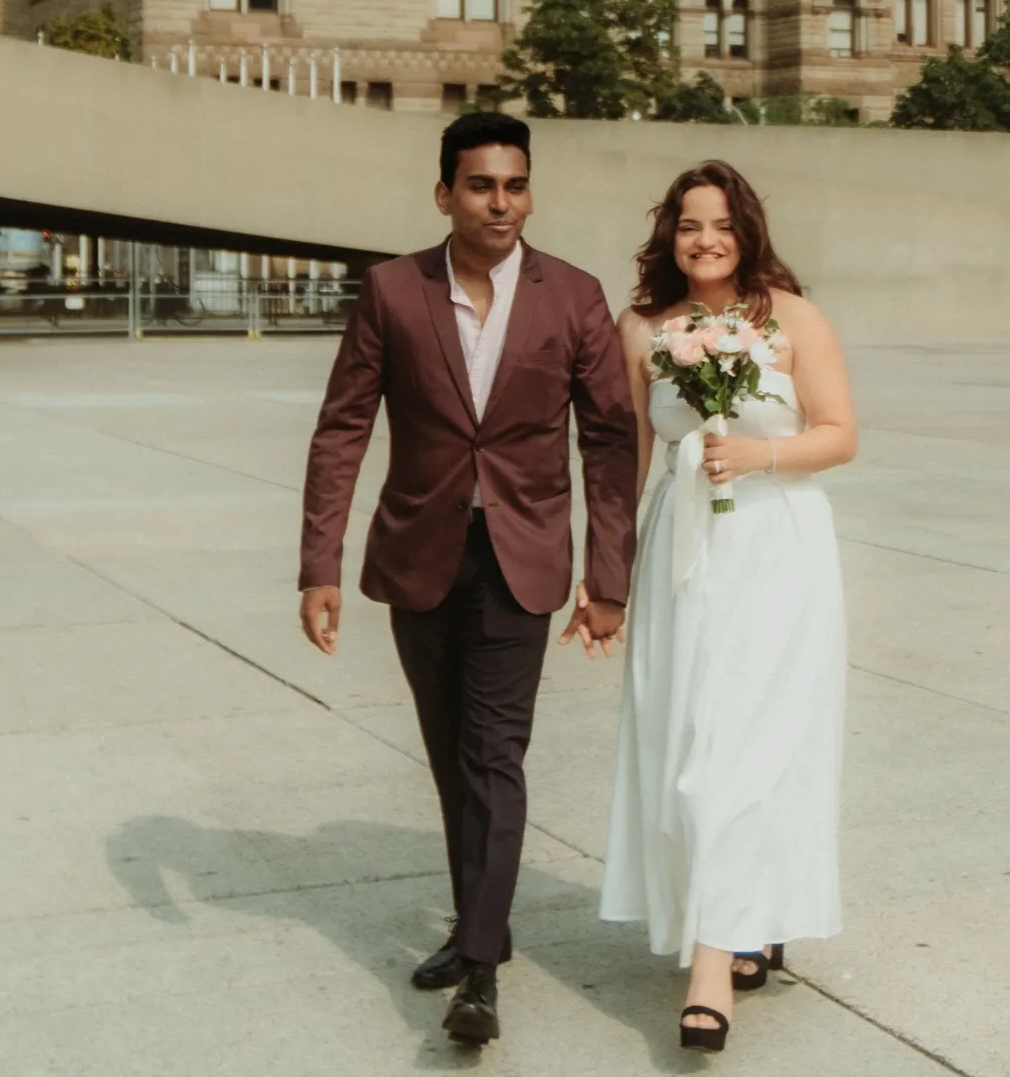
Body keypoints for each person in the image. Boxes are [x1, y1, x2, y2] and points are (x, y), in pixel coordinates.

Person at [297, 111, 638, 1047]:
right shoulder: (392, 291)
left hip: (522, 560)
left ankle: (480, 969)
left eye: (516, 184)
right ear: (444, 192)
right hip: (419, 557)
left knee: (494, 754)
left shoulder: (573, 297)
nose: (502, 202)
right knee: (451, 753)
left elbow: (610, 442)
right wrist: (317, 565)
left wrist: (609, 576)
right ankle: (479, 915)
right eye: (482, 185)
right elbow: (342, 428)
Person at [597, 160, 856, 1053]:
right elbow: (631, 455)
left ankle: (712, 964)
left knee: (743, 750)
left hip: (777, 551)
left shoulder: (792, 318)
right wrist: (611, 573)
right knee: (689, 746)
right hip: (682, 549)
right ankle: (741, 914)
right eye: (687, 226)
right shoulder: (641, 328)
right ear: (668, 236)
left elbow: (840, 433)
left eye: (721, 226)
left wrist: (757, 458)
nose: (704, 240)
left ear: (747, 232)